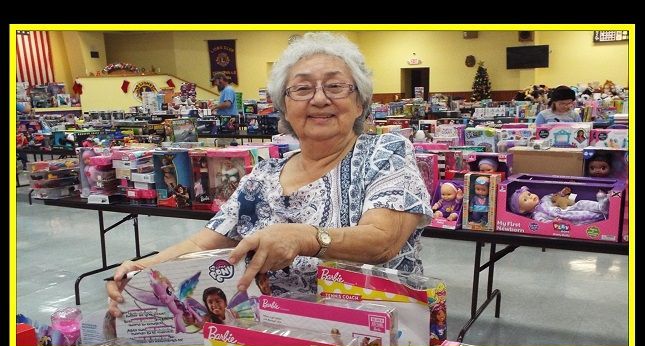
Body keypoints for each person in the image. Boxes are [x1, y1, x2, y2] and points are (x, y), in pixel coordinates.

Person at [108, 32, 431, 317]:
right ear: (284, 107)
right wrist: (142, 268)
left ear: (360, 102)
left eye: (334, 86)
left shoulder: (386, 152)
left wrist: (306, 237)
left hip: (374, 331)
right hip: (274, 329)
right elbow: (204, 242)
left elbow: (383, 241)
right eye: (302, 88)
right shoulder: (265, 174)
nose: (319, 98)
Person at [509, 185, 609, 225]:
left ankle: (600, 206)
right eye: (525, 200)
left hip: (566, 209)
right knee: (582, 218)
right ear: (522, 210)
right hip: (564, 218)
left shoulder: (544, 199)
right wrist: (553, 221)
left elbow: (554, 197)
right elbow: (544, 223)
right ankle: (602, 216)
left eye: (529, 194)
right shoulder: (536, 215)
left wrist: (562, 193)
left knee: (580, 203)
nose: (531, 197)